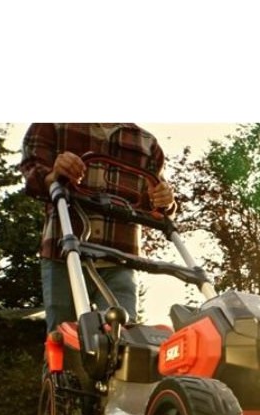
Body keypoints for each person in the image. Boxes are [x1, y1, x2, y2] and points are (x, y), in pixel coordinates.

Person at [20, 123, 175, 332]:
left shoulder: (147, 143)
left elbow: (157, 205)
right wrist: (55, 173)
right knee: (63, 336)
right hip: (64, 253)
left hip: (120, 257)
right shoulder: (52, 125)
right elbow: (33, 177)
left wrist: (165, 200)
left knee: (121, 336)